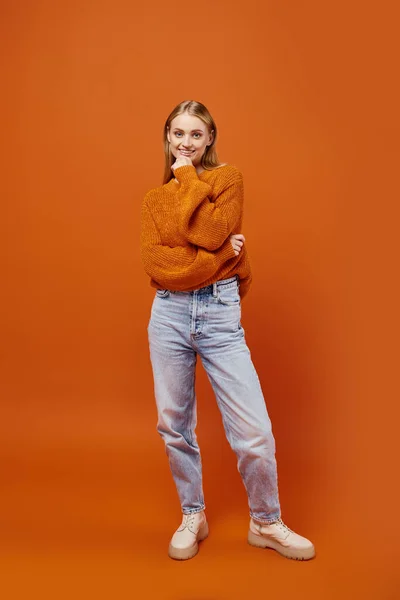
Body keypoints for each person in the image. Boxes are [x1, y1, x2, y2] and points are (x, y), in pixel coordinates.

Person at [139, 100, 315, 561]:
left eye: (196, 134)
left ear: (210, 139)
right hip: (169, 316)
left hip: (219, 316)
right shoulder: (154, 200)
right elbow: (161, 265)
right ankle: (192, 514)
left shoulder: (227, 179)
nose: (186, 142)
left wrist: (192, 192)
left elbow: (212, 230)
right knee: (173, 425)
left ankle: (266, 521)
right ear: (166, 138)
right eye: (178, 133)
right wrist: (220, 261)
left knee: (253, 430)